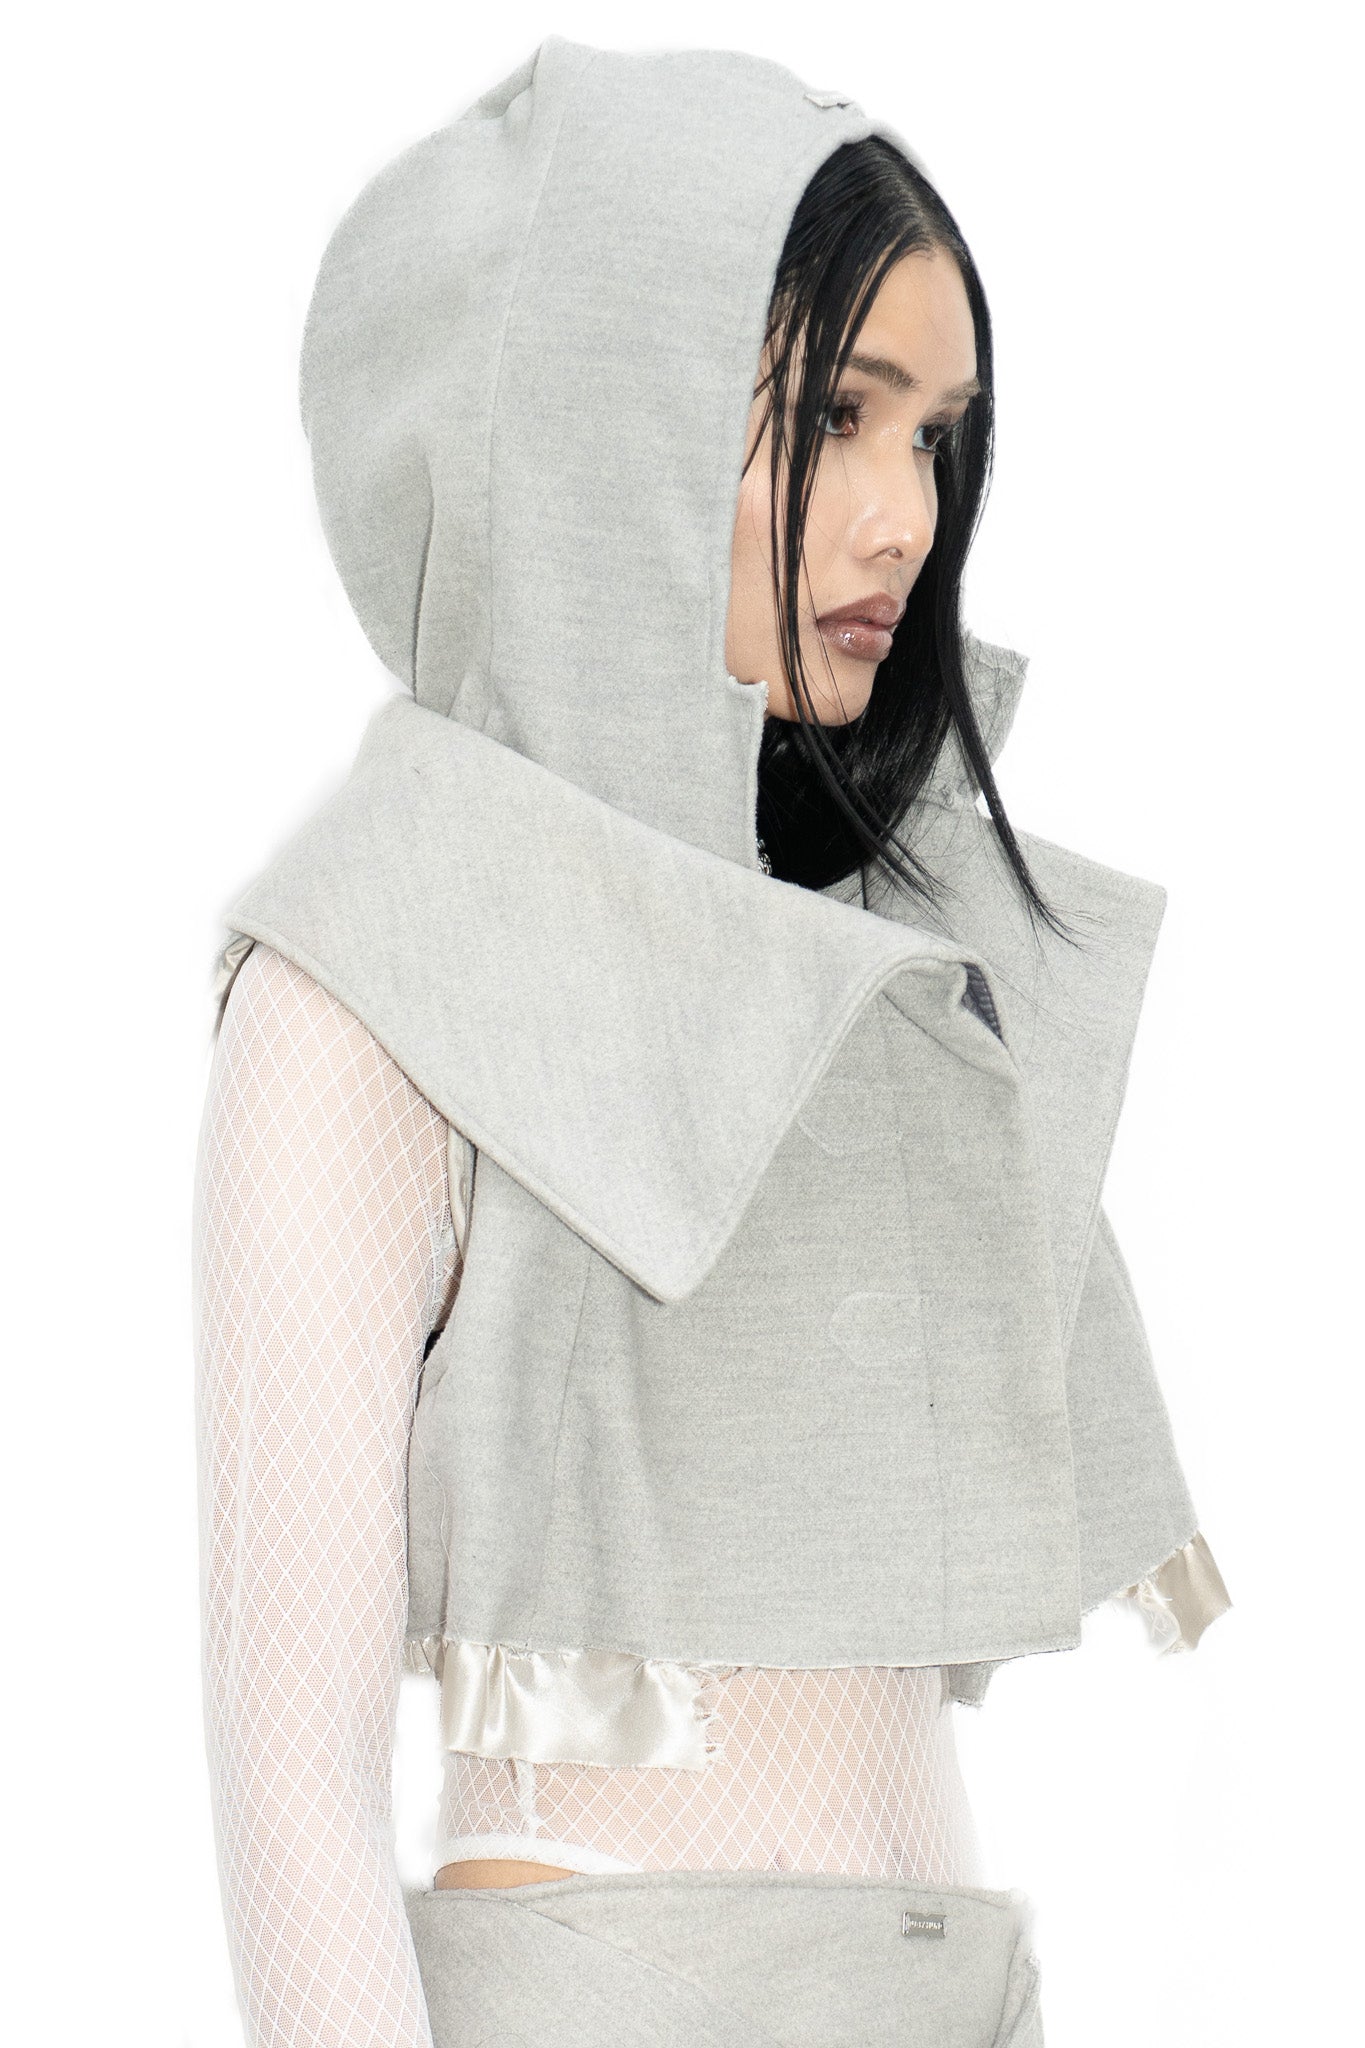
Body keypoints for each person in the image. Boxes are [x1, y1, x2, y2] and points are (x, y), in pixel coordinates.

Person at [193, 35, 1231, 2048]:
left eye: (934, 437)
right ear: (597, 408)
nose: (903, 516)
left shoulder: (882, 976)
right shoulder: (365, 978)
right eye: (833, 415)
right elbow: (285, 1778)